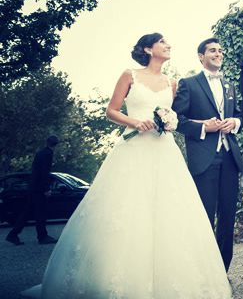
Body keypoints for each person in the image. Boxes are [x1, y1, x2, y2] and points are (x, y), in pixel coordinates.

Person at [24, 33, 231, 298]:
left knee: (170, 211)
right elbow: (111, 111)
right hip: (133, 150)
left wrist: (174, 122)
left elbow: (178, 119)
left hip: (164, 151)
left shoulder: (173, 83)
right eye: (162, 43)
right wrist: (134, 122)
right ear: (148, 48)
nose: (168, 46)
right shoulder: (129, 75)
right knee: (129, 207)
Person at [172, 37, 243, 273]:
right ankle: (201, 272)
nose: (218, 54)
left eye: (220, 51)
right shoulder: (188, 84)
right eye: (212, 50)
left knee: (227, 218)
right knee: (204, 218)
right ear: (201, 56)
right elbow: (177, 121)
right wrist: (205, 127)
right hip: (204, 160)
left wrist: (234, 122)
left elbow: (241, 115)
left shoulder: (230, 86)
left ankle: (222, 272)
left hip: (230, 158)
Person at [6, 136, 60, 246]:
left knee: (27, 213)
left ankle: (13, 234)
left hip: (33, 187)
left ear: (47, 142)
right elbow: (44, 172)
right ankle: (42, 237)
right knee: (40, 213)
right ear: (56, 145)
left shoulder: (40, 153)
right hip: (39, 189)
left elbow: (37, 171)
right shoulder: (48, 154)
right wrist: (46, 188)